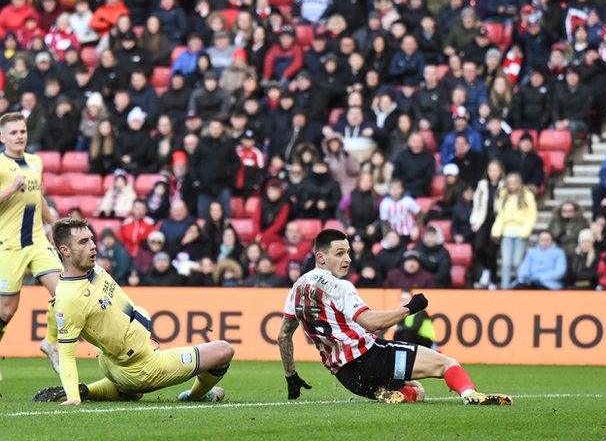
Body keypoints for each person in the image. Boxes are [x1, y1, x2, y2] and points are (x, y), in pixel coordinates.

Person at [277, 229, 511, 405]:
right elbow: (371, 322)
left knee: (417, 390)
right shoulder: (340, 287)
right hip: (371, 358)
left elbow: (284, 335)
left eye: (348, 252)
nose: (347, 259)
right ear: (320, 258)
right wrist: (409, 308)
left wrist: (291, 376)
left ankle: (388, 393)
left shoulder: (297, 288)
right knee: (447, 363)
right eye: (340, 253)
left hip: (347, 377)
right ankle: (470, 395)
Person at [33, 218, 234, 404]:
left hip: (116, 364)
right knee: (224, 350)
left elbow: (72, 285)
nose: (93, 245)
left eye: (91, 239)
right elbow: (67, 355)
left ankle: (91, 390)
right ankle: (195, 396)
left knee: (133, 393)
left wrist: (63, 294)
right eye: (83, 242)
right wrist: (73, 398)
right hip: (140, 368)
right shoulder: (71, 300)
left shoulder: (87, 271)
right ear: (65, 251)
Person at [0, 112, 62, 374]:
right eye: (13, 132)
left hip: (37, 241)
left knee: (66, 293)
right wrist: (11, 189)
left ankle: (50, 342)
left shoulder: (36, 162)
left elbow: (39, 197)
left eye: (22, 131)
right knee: (6, 310)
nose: (19, 136)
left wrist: (55, 225)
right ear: (2, 137)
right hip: (9, 245)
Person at [490, 173, 537, 290]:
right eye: (510, 182)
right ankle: (505, 288)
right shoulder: (502, 195)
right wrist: (496, 231)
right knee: (506, 262)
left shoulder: (527, 195)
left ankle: (519, 286)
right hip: (507, 232)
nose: (512, 185)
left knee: (517, 262)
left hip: (521, 232)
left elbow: (531, 215)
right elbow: (500, 215)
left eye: (515, 182)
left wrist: (525, 231)